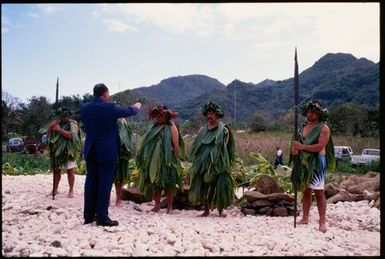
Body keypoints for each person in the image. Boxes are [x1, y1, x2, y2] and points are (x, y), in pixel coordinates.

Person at [81, 83, 141, 227]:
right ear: (106, 95)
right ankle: (102, 216)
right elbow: (129, 111)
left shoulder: (84, 108)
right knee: (104, 182)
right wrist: (137, 106)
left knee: (91, 182)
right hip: (106, 151)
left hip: (91, 149)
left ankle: (88, 216)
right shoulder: (110, 107)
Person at [291, 98, 335, 233]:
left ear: (319, 113)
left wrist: (302, 146)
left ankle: (322, 221)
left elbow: (320, 146)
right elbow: (296, 144)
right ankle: (305, 217)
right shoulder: (303, 126)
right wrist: (295, 150)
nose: (310, 114)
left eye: (313, 112)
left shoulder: (324, 128)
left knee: (319, 192)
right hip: (304, 162)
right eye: (308, 112)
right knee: (306, 190)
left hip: (317, 163)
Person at [188, 101, 236, 217]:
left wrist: (218, 160)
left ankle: (221, 209)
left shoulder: (224, 130)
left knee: (220, 185)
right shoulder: (202, 130)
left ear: (217, 115)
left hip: (218, 163)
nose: (209, 116)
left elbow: (225, 147)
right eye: (208, 114)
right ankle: (206, 210)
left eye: (212, 114)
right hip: (202, 163)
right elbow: (197, 146)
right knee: (203, 185)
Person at [136, 104, 184, 214]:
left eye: (160, 116)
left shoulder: (172, 127)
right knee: (156, 184)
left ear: (166, 116)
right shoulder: (153, 127)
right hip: (154, 161)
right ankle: (157, 205)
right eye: (156, 116)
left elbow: (176, 146)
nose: (158, 118)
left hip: (168, 160)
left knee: (169, 184)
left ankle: (169, 207)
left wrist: (176, 160)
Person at [47, 107, 81, 198]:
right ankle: (55, 189)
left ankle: (71, 190)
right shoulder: (57, 123)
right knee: (56, 171)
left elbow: (72, 136)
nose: (62, 118)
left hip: (68, 151)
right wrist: (50, 127)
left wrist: (59, 130)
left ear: (68, 116)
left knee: (70, 171)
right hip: (57, 151)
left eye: (64, 117)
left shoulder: (73, 124)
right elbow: (48, 135)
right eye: (61, 117)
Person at [114, 117, 134, 206]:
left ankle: (118, 198)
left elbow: (125, 141)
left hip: (121, 155)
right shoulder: (120, 122)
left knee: (118, 178)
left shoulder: (122, 123)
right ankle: (117, 199)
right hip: (115, 154)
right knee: (117, 178)